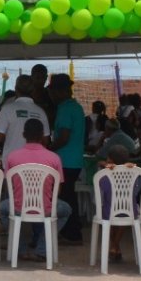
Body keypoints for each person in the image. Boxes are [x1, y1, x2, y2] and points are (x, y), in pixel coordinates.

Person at [1, 118, 71, 262]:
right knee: (66, 209)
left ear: (23, 134)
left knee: (2, 209)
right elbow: (57, 190)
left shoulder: (12, 157)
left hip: (18, 207)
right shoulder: (54, 158)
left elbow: (10, 185)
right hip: (45, 208)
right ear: (42, 136)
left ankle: (19, 249)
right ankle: (42, 249)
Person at [48, 74, 86, 244]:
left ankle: (72, 234)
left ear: (60, 91)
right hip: (75, 159)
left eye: (53, 92)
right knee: (69, 196)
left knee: (65, 199)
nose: (51, 96)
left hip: (65, 160)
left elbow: (63, 137)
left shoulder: (64, 108)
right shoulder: (76, 107)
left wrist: (48, 149)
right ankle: (71, 232)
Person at [94, 144, 141, 262]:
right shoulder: (134, 173)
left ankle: (114, 245)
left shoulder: (105, 175)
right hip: (130, 212)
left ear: (110, 160)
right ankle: (115, 246)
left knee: (107, 215)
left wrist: (104, 166)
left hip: (108, 212)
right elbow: (137, 190)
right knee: (124, 215)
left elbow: (102, 191)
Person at [0, 75, 50, 162]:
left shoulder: (7, 109)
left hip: (12, 163)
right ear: (33, 90)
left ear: (16, 88)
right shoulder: (41, 112)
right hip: (35, 164)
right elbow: (45, 141)